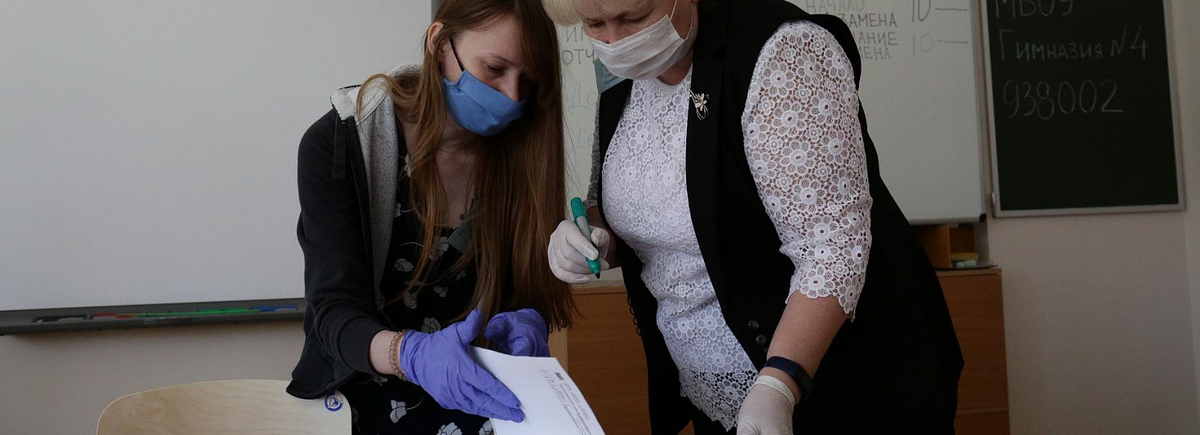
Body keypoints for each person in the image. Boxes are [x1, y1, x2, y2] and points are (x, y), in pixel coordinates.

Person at [544, 0, 964, 433]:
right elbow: (627, 208)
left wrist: (781, 381)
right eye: (594, 24)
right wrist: (592, 238)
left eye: (634, 18)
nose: (616, 41)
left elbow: (834, 244)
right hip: (712, 397)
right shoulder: (621, 77)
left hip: (839, 387)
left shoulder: (781, 51)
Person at [286, 1, 575, 433]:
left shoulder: (520, 151)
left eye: (528, 81)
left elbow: (519, 291)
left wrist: (525, 317)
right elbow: (333, 314)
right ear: (440, 44)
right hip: (361, 399)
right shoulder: (340, 144)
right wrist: (410, 355)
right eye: (495, 69)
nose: (512, 97)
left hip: (478, 394)